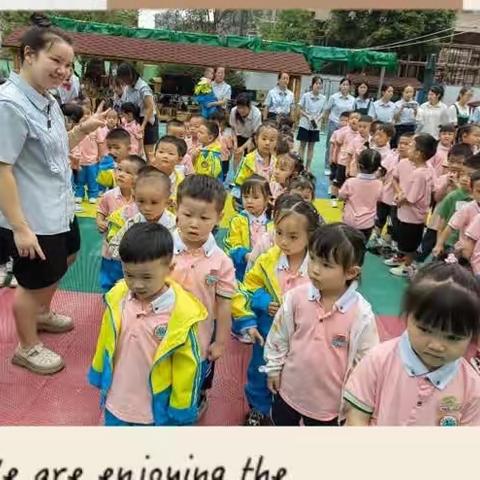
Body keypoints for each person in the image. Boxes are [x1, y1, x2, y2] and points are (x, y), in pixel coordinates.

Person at [0, 23, 110, 374]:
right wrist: (20, 227)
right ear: (28, 55)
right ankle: (27, 346)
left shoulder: (46, 100)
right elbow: (1, 169)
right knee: (33, 283)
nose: (63, 71)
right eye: (56, 60)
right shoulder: (10, 105)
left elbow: (52, 152)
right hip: (30, 215)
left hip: (58, 207)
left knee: (70, 253)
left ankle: (42, 313)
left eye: (68, 65)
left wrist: (82, 130)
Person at [88, 222, 208, 426]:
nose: (137, 284)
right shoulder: (118, 299)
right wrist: (99, 369)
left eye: (146, 277)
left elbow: (187, 364)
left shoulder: (180, 315)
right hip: (116, 400)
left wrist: (182, 404)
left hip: (153, 408)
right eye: (129, 275)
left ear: (170, 268)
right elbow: (106, 339)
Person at [264, 223, 379, 426]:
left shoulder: (361, 315)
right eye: (313, 259)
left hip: (330, 405)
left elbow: (366, 362)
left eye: (326, 265)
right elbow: (279, 335)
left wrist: (357, 402)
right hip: (290, 390)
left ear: (351, 272)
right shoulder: (296, 298)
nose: (314, 270)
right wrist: (273, 368)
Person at [344, 259, 480, 426]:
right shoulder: (379, 360)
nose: (436, 346)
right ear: (408, 316)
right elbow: (357, 416)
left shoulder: (472, 386)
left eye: (453, 338)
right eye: (425, 330)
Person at [232, 197, 321, 426]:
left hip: (302, 337)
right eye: (279, 233)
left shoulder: (318, 267)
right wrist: (263, 301)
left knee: (295, 374)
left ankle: (290, 409)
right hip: (267, 332)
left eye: (293, 236)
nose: (283, 241)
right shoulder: (267, 260)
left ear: (310, 235)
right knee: (259, 371)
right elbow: (248, 287)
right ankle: (259, 408)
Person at [170, 174, 236, 417]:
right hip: (161, 332)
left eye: (204, 217)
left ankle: (199, 396)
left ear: (219, 218)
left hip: (200, 338)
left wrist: (220, 342)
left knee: (198, 374)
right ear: (176, 209)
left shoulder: (221, 262)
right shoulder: (162, 248)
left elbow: (224, 307)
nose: (194, 224)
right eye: (187, 215)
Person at [389, 134, 437, 278]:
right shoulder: (425, 170)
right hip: (414, 214)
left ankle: (407, 266)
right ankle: (404, 262)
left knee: (409, 244)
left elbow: (411, 198)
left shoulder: (419, 174)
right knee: (406, 240)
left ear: (418, 154)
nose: (407, 149)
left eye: (411, 146)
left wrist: (399, 198)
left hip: (412, 216)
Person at [97, 155, 146, 293]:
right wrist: (100, 221)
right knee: (108, 279)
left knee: (129, 280)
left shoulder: (142, 199)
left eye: (128, 172)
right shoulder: (109, 195)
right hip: (110, 250)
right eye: (119, 169)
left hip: (134, 252)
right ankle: (109, 302)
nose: (121, 174)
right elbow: (101, 210)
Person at [224, 175, 273, 282]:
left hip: (267, 269)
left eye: (255, 197)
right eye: (246, 197)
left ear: (267, 199)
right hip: (242, 270)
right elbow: (231, 244)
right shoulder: (237, 220)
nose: (249, 201)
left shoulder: (272, 223)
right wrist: (245, 255)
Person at [116, 62, 158, 162]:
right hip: (134, 121)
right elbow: (124, 104)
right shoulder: (127, 88)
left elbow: (150, 108)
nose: (124, 81)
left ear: (132, 75)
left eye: (125, 77)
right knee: (134, 151)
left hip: (147, 121)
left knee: (149, 154)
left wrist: (143, 126)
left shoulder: (143, 87)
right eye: (122, 78)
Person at [339, 149, 383, 241]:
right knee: (361, 246)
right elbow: (379, 198)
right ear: (377, 167)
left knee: (347, 246)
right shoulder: (379, 184)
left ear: (359, 165)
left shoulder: (350, 182)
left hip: (350, 221)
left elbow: (341, 196)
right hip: (367, 223)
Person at [233, 122, 279, 202]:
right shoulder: (248, 160)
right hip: (250, 202)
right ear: (256, 139)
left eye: (272, 140)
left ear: (276, 143)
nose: (267, 143)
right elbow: (238, 184)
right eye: (264, 139)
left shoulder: (276, 162)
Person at [322, 78, 356, 176]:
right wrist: (326, 123)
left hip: (346, 126)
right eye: (343, 84)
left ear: (349, 87)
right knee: (331, 146)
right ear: (340, 86)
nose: (345, 87)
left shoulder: (352, 99)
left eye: (347, 85)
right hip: (334, 123)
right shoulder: (333, 97)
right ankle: (328, 166)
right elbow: (327, 110)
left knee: (344, 147)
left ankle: (340, 165)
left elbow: (352, 113)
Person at [150, 135, 187, 214]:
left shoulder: (182, 180)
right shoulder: (146, 177)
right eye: (161, 152)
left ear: (179, 159)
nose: (165, 156)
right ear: (154, 154)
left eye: (171, 153)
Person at [297, 76, 326, 171]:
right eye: (316, 83)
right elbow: (300, 108)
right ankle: (300, 166)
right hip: (305, 124)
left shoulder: (323, 98)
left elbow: (323, 112)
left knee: (311, 147)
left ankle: (308, 167)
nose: (318, 85)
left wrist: (318, 119)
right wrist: (307, 116)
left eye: (320, 83)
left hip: (315, 126)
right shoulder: (306, 96)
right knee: (302, 146)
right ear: (312, 84)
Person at [229, 93, 262, 166]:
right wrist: (235, 143)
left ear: (249, 106)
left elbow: (255, 135)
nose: (240, 110)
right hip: (239, 136)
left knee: (249, 158)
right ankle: (236, 175)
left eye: (243, 108)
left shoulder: (257, 114)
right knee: (237, 155)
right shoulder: (233, 111)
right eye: (239, 107)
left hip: (251, 138)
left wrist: (243, 148)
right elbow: (233, 129)